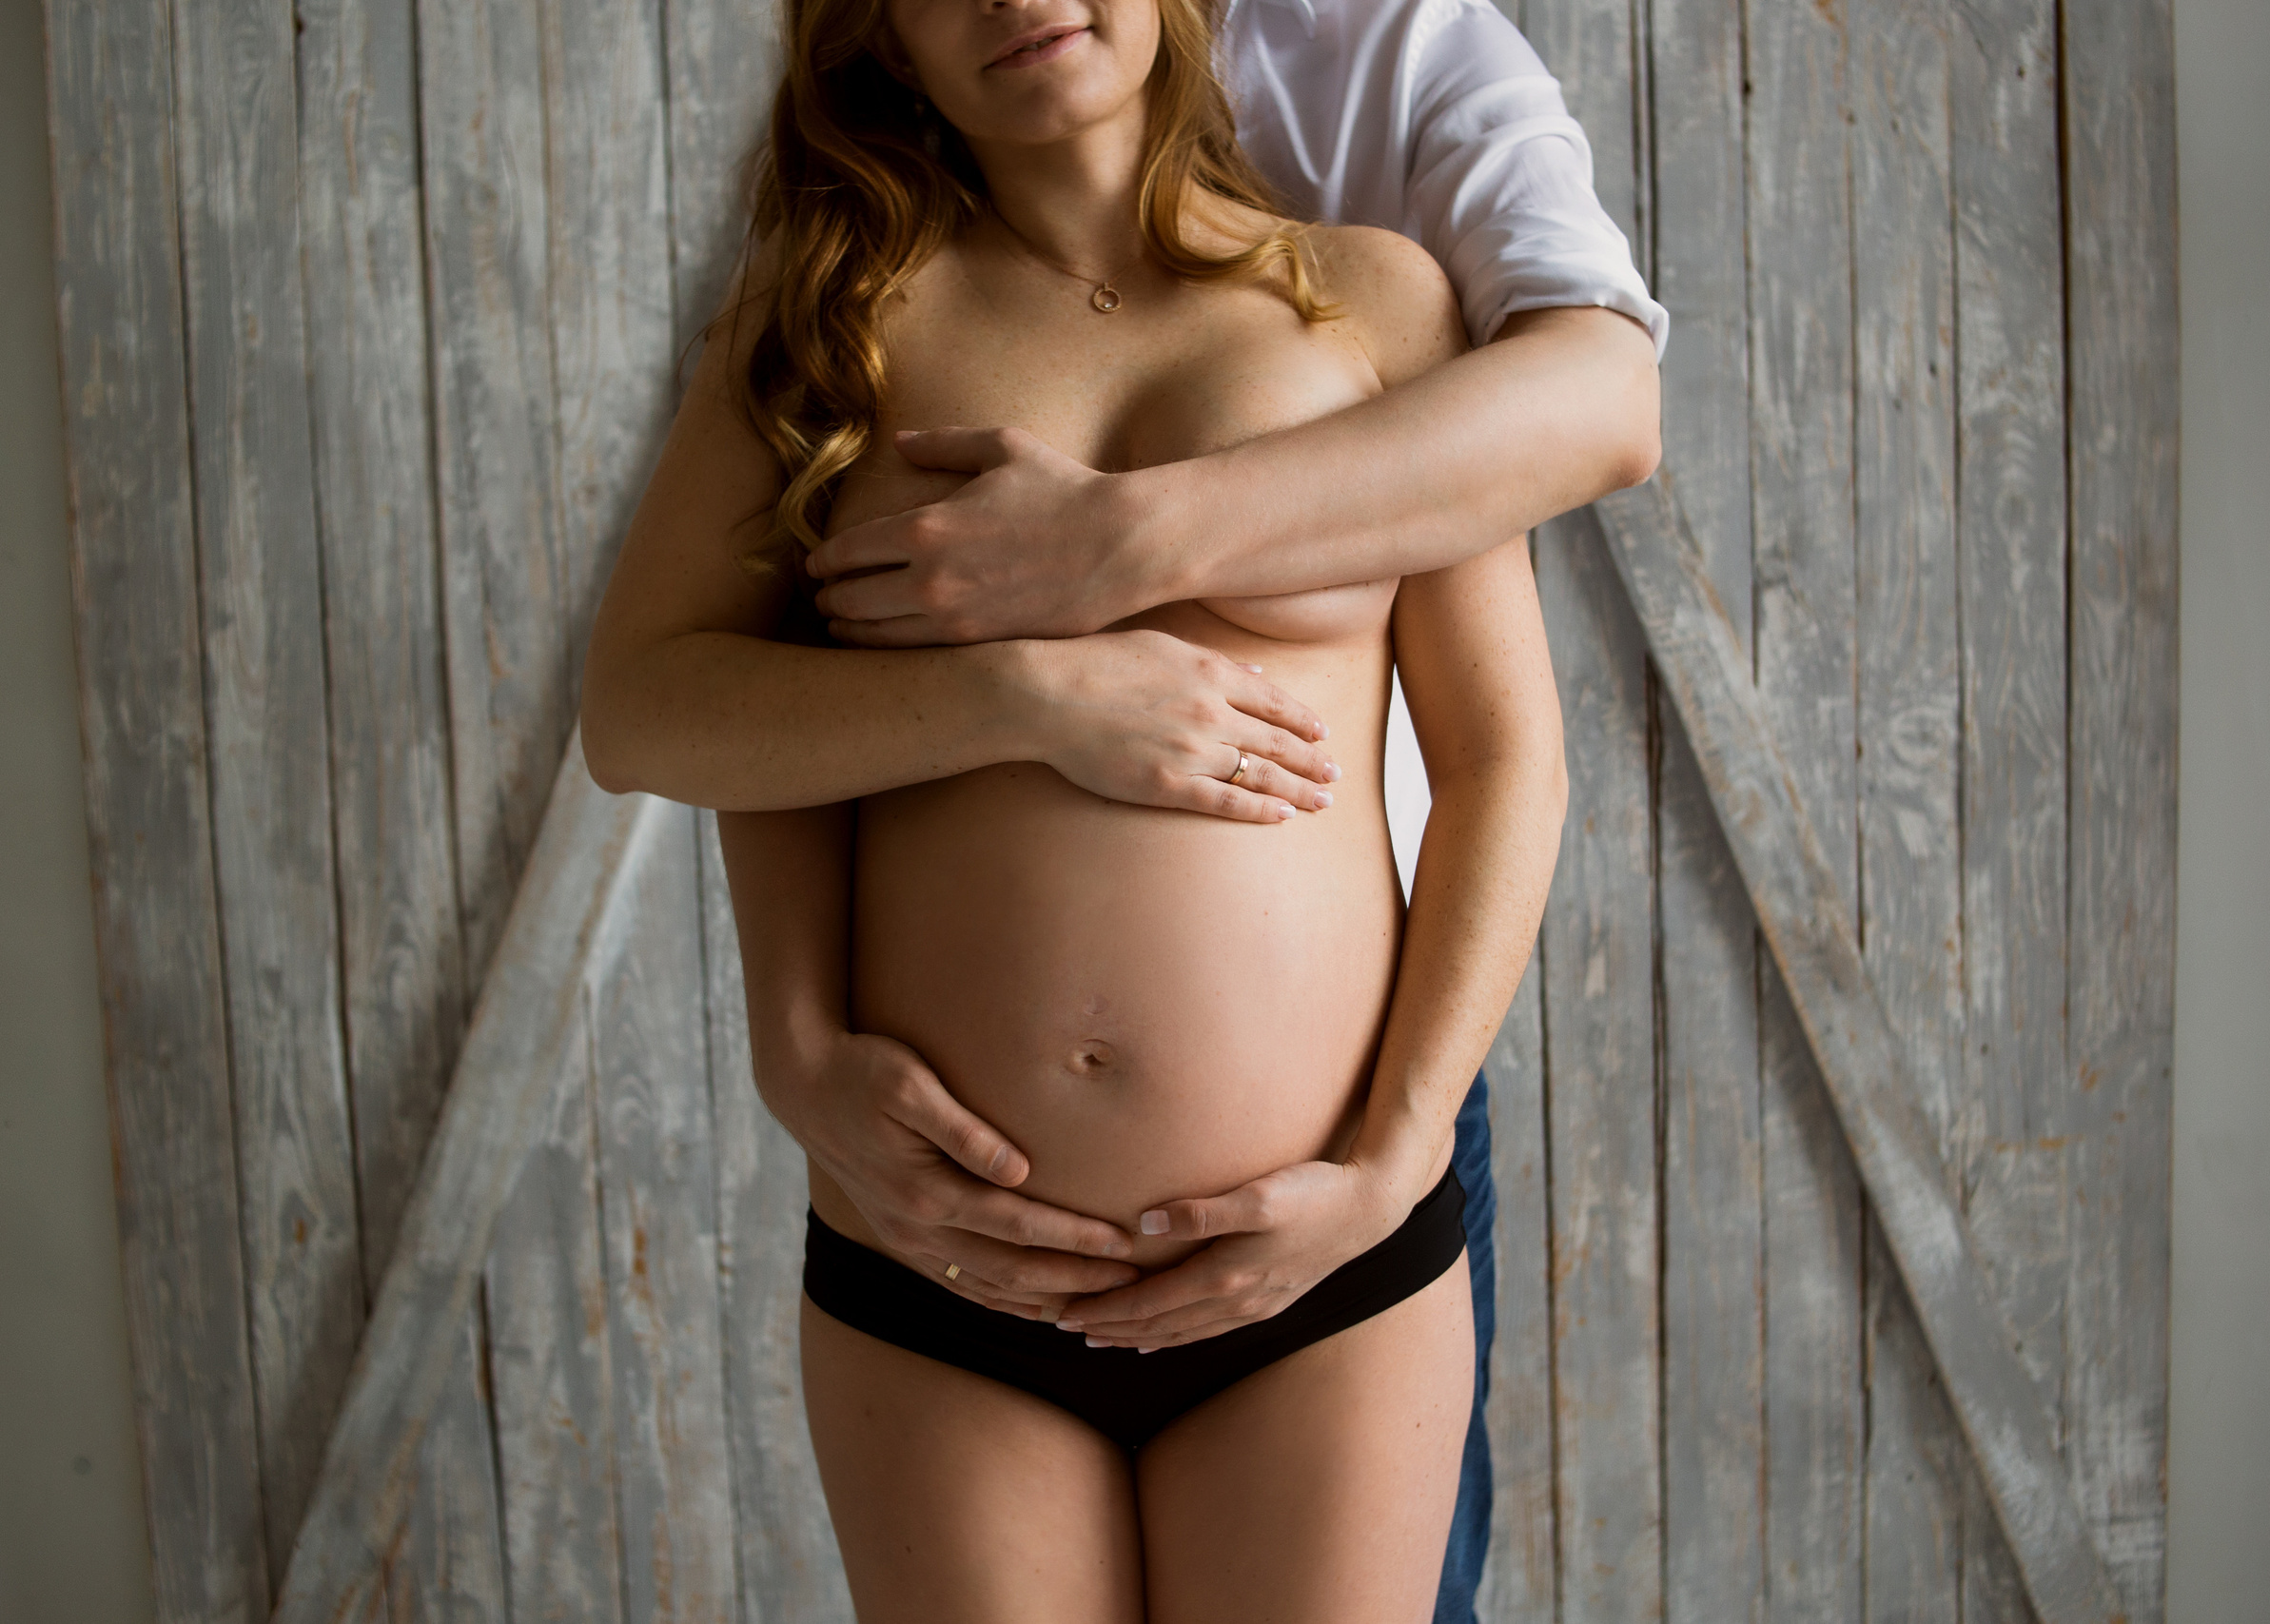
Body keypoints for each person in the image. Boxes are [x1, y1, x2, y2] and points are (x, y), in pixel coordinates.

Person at [580, 0, 1665, 1615]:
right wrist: (1015, 697)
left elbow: (1509, 759)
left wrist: (1398, 1146)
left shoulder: (1367, 298)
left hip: (1317, 1260)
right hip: (939, 1257)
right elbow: (654, 707)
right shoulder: (830, 327)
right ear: (877, 39)